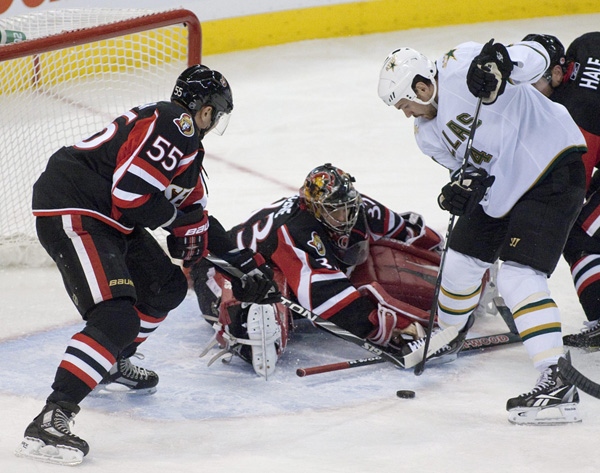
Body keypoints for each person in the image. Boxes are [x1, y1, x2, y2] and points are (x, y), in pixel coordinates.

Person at [16, 65, 279, 465]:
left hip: (109, 218)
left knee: (166, 287)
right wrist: (181, 224)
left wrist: (249, 269)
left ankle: (111, 361)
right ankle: (52, 418)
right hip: (76, 207)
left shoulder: (185, 150)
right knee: (117, 315)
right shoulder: (177, 124)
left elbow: (200, 222)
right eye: (216, 113)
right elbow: (130, 194)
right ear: (205, 110)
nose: (213, 122)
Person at [377, 38, 588, 424]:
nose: (407, 114)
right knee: (458, 263)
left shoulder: (461, 64)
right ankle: (448, 334)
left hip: (551, 169)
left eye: (405, 104)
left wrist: (501, 62)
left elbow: (538, 55)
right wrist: (457, 192)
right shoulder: (427, 135)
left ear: (422, 87)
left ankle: (556, 378)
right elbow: (467, 172)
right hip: (501, 188)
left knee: (519, 275)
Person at [191, 163, 456, 378]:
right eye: (336, 212)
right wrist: (395, 329)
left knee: (374, 256)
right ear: (314, 209)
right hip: (219, 270)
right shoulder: (298, 231)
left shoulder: (356, 205)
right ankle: (247, 329)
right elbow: (328, 301)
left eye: (348, 207)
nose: (346, 216)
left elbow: (405, 229)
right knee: (271, 289)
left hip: (287, 268)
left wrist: (451, 256)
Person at [524, 33, 600, 349]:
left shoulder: (576, 107)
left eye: (535, 86)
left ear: (557, 73)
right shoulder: (586, 46)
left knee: (579, 232)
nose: (532, 96)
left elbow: (574, 186)